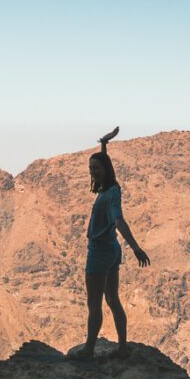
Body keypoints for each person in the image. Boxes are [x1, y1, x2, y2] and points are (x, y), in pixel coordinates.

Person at [77, 126, 149, 357]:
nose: (93, 172)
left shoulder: (110, 196)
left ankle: (88, 349)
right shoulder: (112, 188)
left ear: (105, 170)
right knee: (112, 299)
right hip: (112, 251)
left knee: (95, 303)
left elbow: (119, 221)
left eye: (96, 168)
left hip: (99, 252)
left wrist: (136, 247)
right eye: (90, 168)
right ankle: (123, 347)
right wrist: (105, 144)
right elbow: (106, 165)